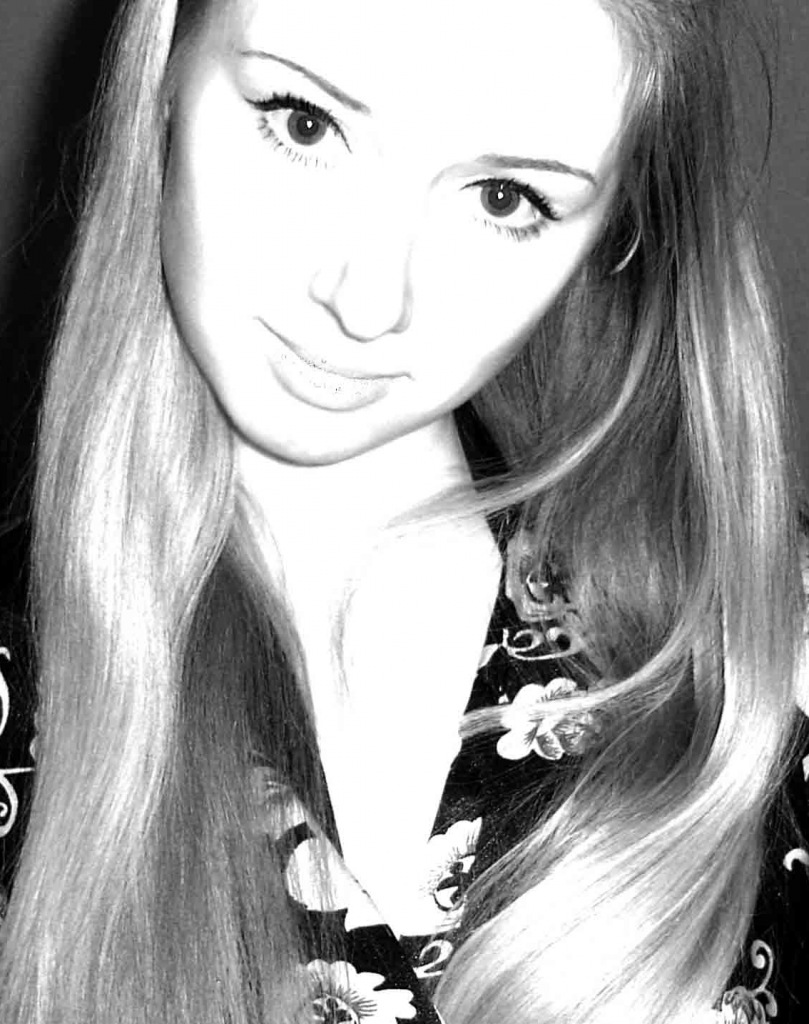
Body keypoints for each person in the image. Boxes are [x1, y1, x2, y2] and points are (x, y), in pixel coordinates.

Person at [0, 0, 807, 1021]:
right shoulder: (24, 690)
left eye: (505, 198)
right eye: (302, 123)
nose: (368, 300)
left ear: (610, 232)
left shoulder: (759, 657)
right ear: (160, 76)